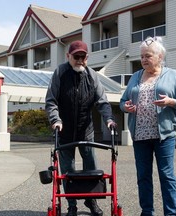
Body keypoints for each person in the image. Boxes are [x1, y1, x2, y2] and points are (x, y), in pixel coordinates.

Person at [119, 36, 176, 216]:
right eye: (142, 56)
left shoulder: (171, 75)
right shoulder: (135, 76)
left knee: (166, 176)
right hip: (140, 136)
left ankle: (170, 213)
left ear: (159, 57)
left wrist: (171, 101)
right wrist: (126, 106)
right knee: (143, 177)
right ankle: (147, 211)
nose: (143, 59)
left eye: (148, 56)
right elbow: (122, 101)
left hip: (164, 136)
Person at [45, 40, 116, 216]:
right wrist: (56, 120)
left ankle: (90, 201)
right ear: (68, 56)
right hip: (64, 131)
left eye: (82, 57)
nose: (79, 60)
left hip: (86, 130)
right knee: (68, 170)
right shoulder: (60, 73)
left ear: (87, 57)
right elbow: (51, 101)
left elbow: (102, 101)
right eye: (76, 56)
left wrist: (109, 119)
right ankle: (72, 205)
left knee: (91, 168)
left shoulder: (92, 76)